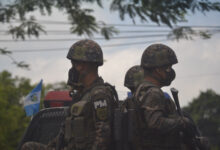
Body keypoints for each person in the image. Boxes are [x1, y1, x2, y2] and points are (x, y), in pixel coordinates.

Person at [21, 39, 118, 150]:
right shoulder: (81, 96)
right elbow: (63, 136)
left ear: (82, 65)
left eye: (74, 64)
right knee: (29, 147)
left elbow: (102, 138)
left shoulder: (99, 94)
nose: (72, 69)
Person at [133, 43, 194, 150]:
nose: (171, 71)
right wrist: (182, 122)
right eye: (169, 67)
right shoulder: (153, 92)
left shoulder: (141, 89)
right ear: (158, 70)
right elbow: (156, 123)